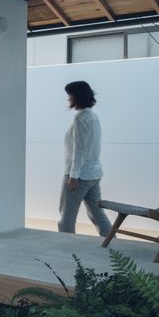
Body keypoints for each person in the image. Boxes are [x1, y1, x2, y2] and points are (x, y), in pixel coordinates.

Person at [58, 80, 112, 237]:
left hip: (79, 176)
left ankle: (65, 247)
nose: (68, 99)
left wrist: (73, 175)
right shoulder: (93, 117)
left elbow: (79, 150)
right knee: (97, 213)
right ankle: (113, 245)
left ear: (76, 96)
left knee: (67, 215)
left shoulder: (80, 118)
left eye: (70, 95)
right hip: (93, 174)